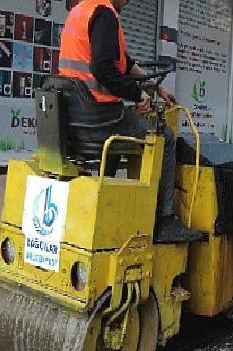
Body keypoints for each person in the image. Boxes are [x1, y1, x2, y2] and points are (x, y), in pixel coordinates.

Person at [59, 0, 203, 243]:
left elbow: (124, 64)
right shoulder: (105, 15)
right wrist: (137, 95)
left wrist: (156, 87)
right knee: (163, 137)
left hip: (76, 118)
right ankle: (166, 220)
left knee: (129, 123)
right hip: (99, 119)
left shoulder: (81, 11)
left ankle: (112, 202)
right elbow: (104, 70)